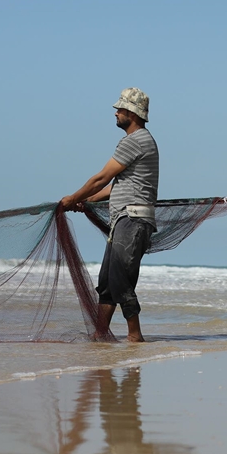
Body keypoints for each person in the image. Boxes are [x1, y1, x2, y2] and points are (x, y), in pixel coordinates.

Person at [61, 88, 158, 342]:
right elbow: (116, 186)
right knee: (106, 282)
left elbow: (101, 177)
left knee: (120, 280)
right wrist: (88, 200)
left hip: (132, 219)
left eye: (121, 109)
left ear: (132, 113)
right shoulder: (141, 141)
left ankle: (135, 336)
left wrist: (73, 198)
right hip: (123, 221)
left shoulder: (135, 140)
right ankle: (100, 334)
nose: (116, 113)